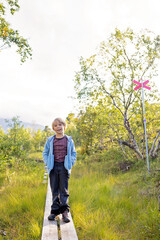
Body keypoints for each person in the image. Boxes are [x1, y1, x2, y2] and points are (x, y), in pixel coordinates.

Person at [43, 117, 77, 223]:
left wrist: (70, 163)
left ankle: (64, 212)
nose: (58, 127)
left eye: (60, 125)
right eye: (56, 125)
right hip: (53, 167)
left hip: (64, 167)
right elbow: (45, 152)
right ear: (53, 128)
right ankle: (54, 211)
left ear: (64, 126)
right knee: (54, 190)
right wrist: (48, 163)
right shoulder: (50, 140)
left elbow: (73, 153)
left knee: (64, 190)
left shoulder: (69, 140)